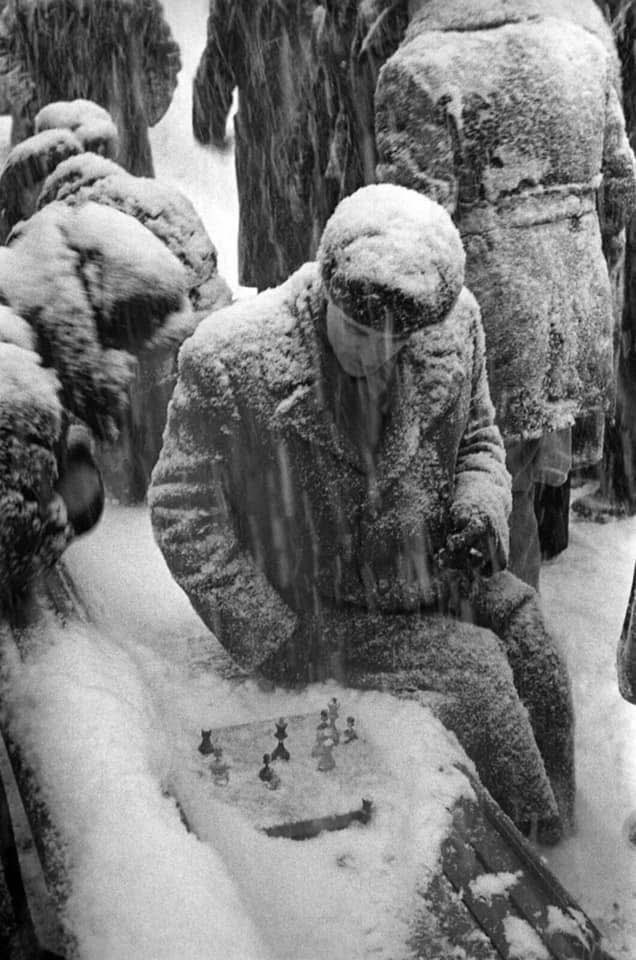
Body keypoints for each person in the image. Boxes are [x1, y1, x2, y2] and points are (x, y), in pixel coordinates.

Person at [150, 184, 574, 841]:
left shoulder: (456, 324)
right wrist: (273, 635)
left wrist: (478, 509)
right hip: (321, 608)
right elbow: (182, 511)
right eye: (358, 330)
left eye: (397, 339)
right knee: (480, 674)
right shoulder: (230, 363)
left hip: (430, 573)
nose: (376, 352)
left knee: (531, 639)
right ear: (326, 288)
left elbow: (482, 441)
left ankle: (558, 832)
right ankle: (515, 870)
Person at [374, 0, 636, 587]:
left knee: (488, 491)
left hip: (492, 311)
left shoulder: (422, 69)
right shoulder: (581, 49)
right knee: (524, 476)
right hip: (575, 304)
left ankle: (513, 646)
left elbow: (416, 234)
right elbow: (620, 188)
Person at [0, 0, 181, 176]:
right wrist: (29, 103)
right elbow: (4, 50)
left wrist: (142, 109)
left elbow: (164, 54)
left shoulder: (135, 6)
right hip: (47, 146)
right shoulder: (27, 7)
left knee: (118, 202)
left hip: (120, 150)